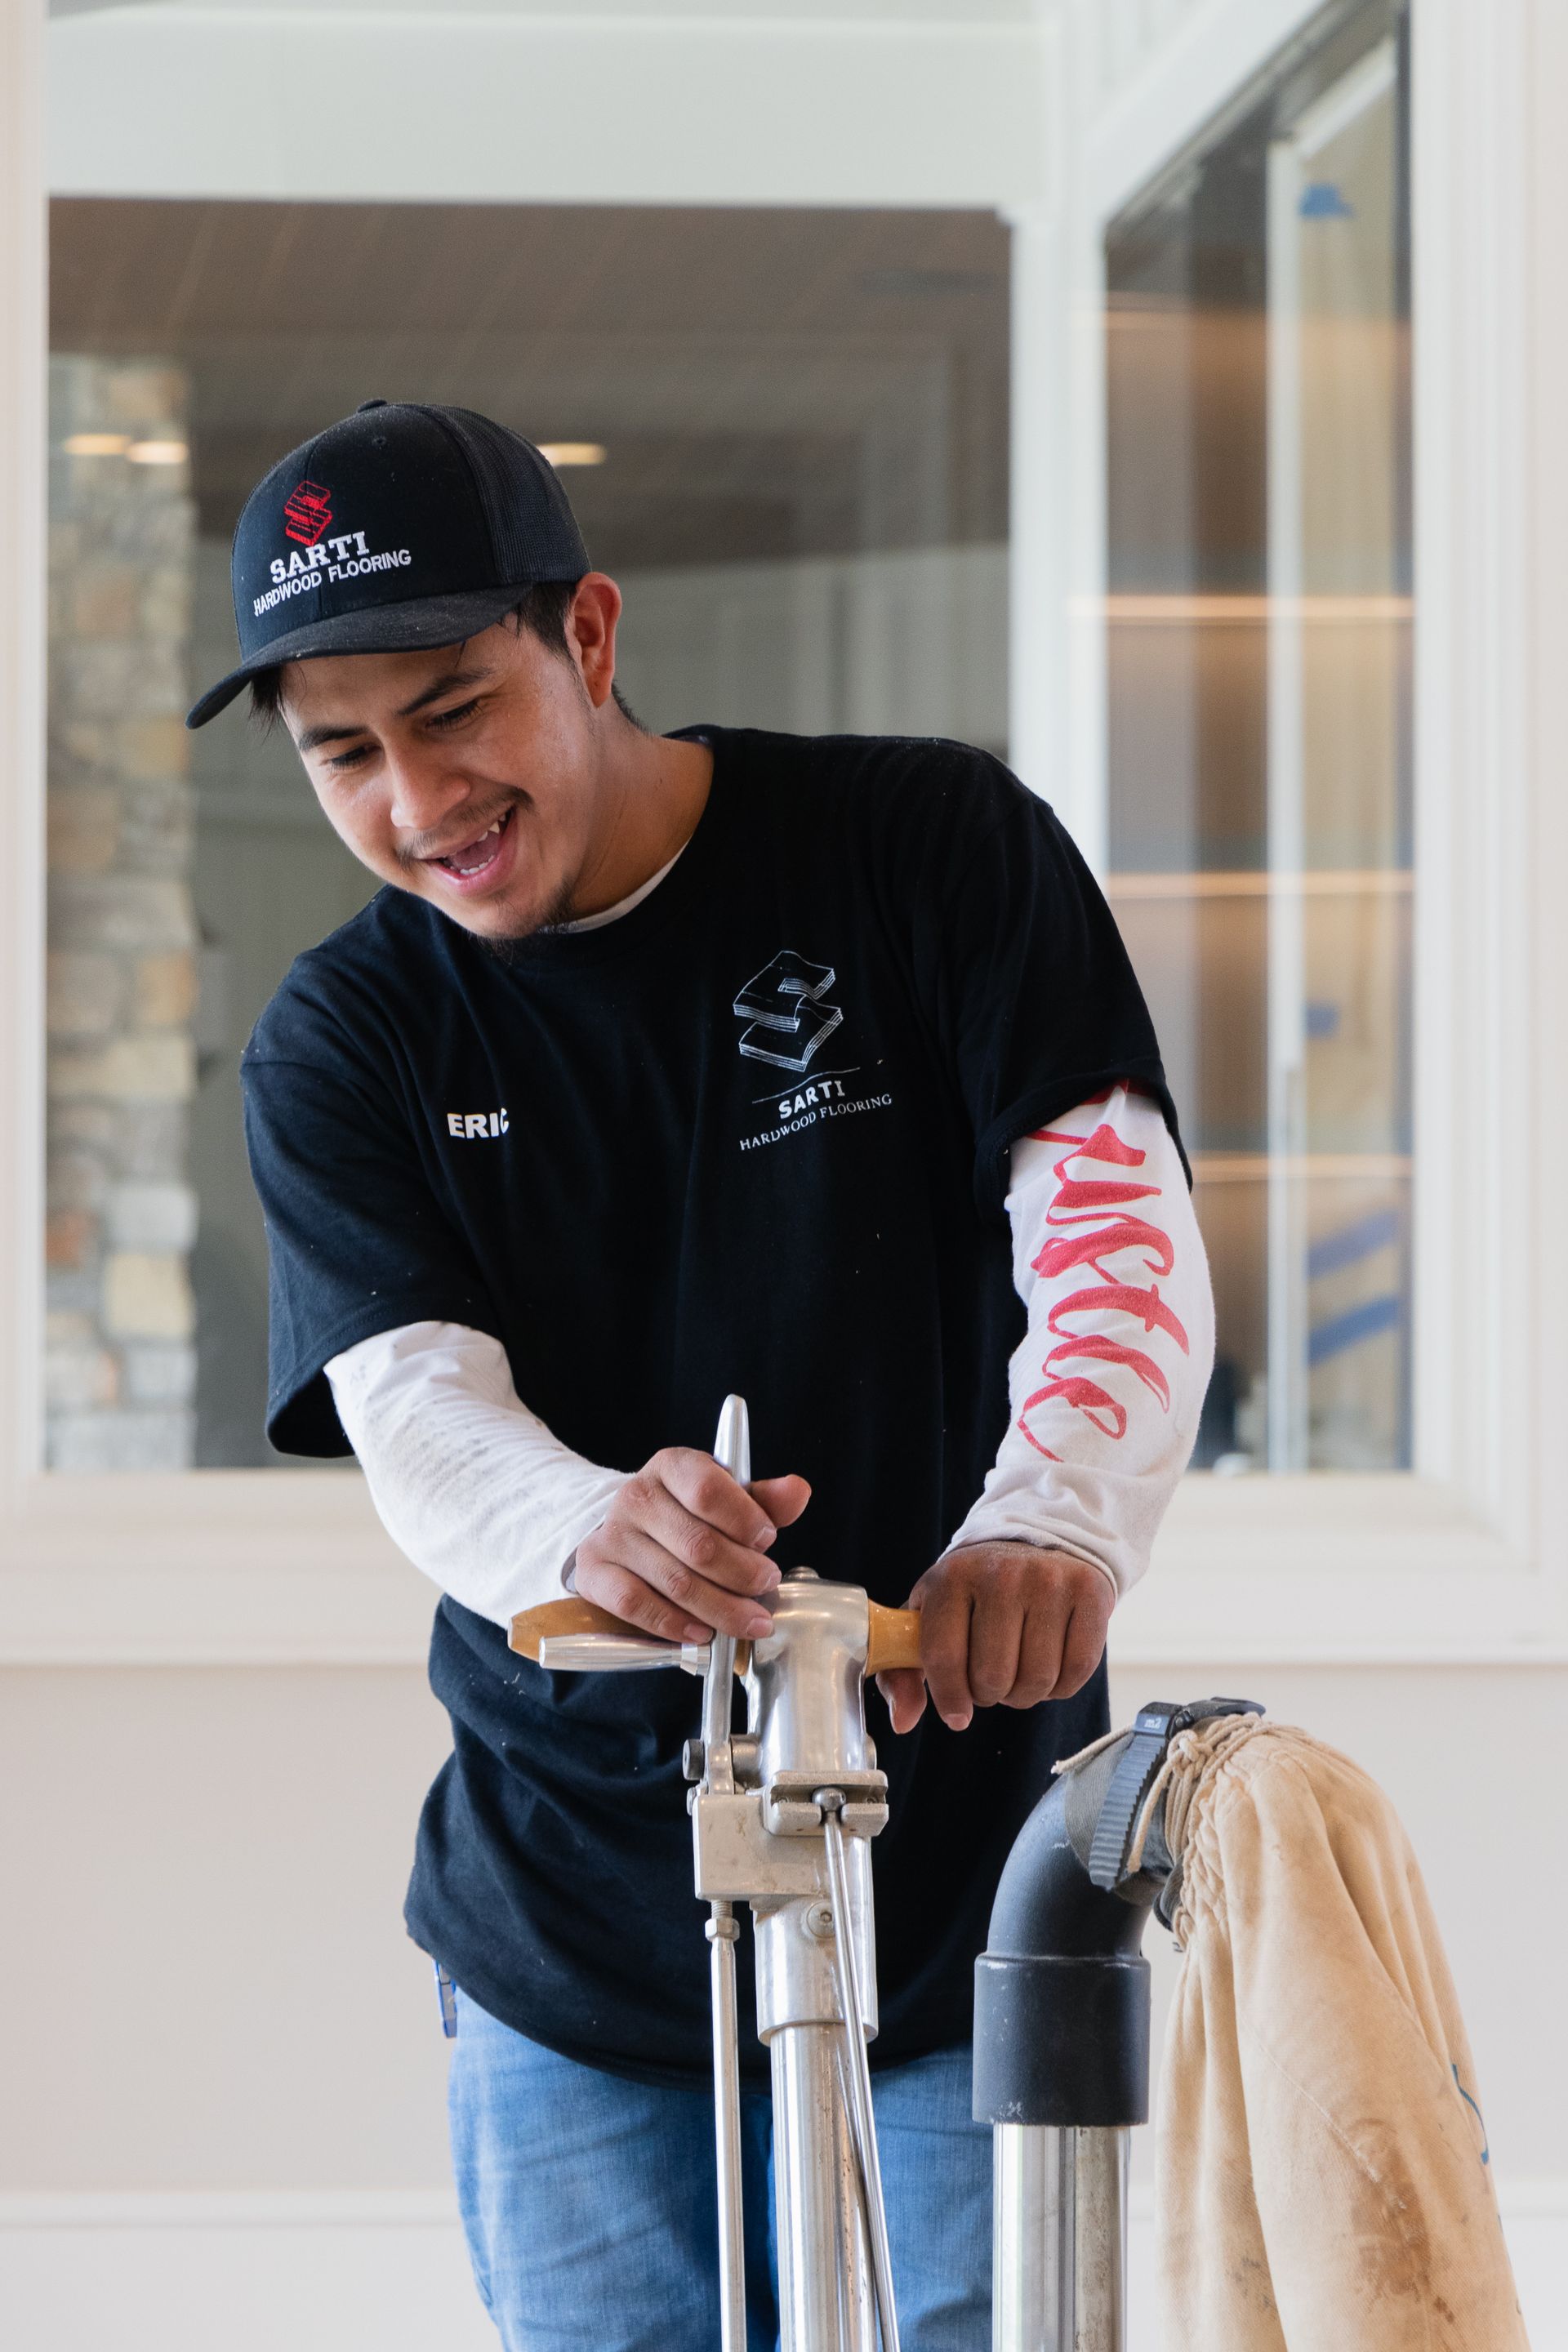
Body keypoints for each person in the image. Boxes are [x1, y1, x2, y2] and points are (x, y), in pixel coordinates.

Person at [187, 398, 1214, 2352]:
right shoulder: (346, 1040)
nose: (415, 800)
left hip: (962, 1885)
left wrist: (1052, 1523)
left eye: (451, 707)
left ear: (585, 638)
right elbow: (417, 1411)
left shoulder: (925, 845)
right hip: (570, 1926)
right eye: (344, 754)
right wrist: (596, 1527)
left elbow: (1109, 1215)